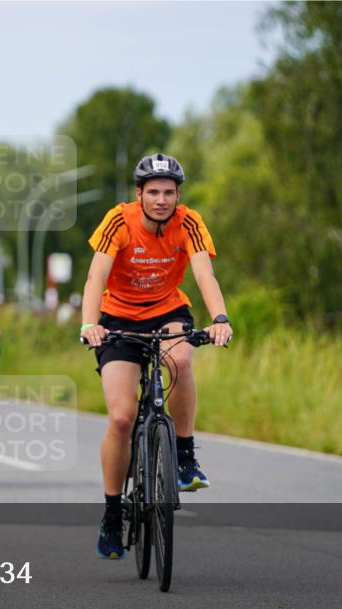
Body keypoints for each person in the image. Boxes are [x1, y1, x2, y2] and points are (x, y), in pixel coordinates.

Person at [80, 153, 233, 559]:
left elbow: (204, 273)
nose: (161, 200)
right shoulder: (119, 220)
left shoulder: (190, 223)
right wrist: (88, 323)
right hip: (117, 318)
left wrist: (219, 317)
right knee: (121, 417)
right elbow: (96, 275)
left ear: (178, 195)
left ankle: (184, 457)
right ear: (139, 194)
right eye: (153, 192)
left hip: (167, 310)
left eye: (169, 192)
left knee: (181, 361)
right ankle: (113, 513)